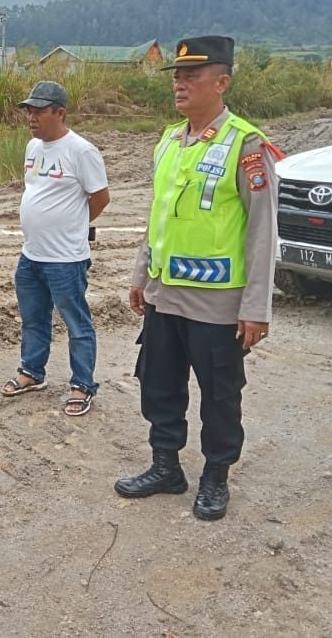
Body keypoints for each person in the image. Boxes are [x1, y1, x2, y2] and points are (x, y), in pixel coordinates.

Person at [114, 36, 279, 520]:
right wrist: (141, 274)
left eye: (192, 76)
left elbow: (262, 232)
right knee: (159, 384)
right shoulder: (169, 139)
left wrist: (256, 307)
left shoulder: (247, 145)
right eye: (177, 76)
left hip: (218, 304)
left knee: (220, 394)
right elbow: (158, 216)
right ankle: (166, 467)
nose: (180, 84)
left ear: (222, 82)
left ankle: (215, 476)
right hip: (165, 297)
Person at [1, 80, 110, 417]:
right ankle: (32, 372)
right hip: (31, 254)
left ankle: (82, 385)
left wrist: (76, 224)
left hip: (65, 259)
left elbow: (100, 197)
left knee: (77, 323)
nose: (31, 117)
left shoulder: (82, 151)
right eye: (29, 111)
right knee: (33, 319)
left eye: (39, 111)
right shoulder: (33, 148)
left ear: (59, 112)